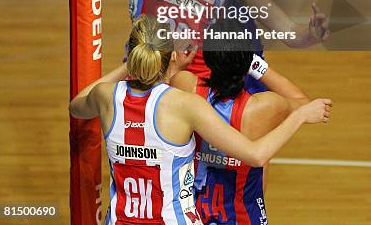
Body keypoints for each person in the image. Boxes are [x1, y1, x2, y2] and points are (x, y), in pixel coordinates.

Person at [70, 15, 332, 224]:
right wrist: (300, 115)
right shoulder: (186, 105)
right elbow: (256, 154)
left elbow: (76, 105)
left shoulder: (107, 96)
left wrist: (133, 65)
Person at [171, 20, 316, 224]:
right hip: (243, 216)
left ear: (209, 58)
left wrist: (179, 64)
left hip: (192, 213)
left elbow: (166, 81)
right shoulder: (264, 107)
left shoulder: (185, 85)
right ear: (248, 60)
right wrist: (257, 65)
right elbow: (303, 103)